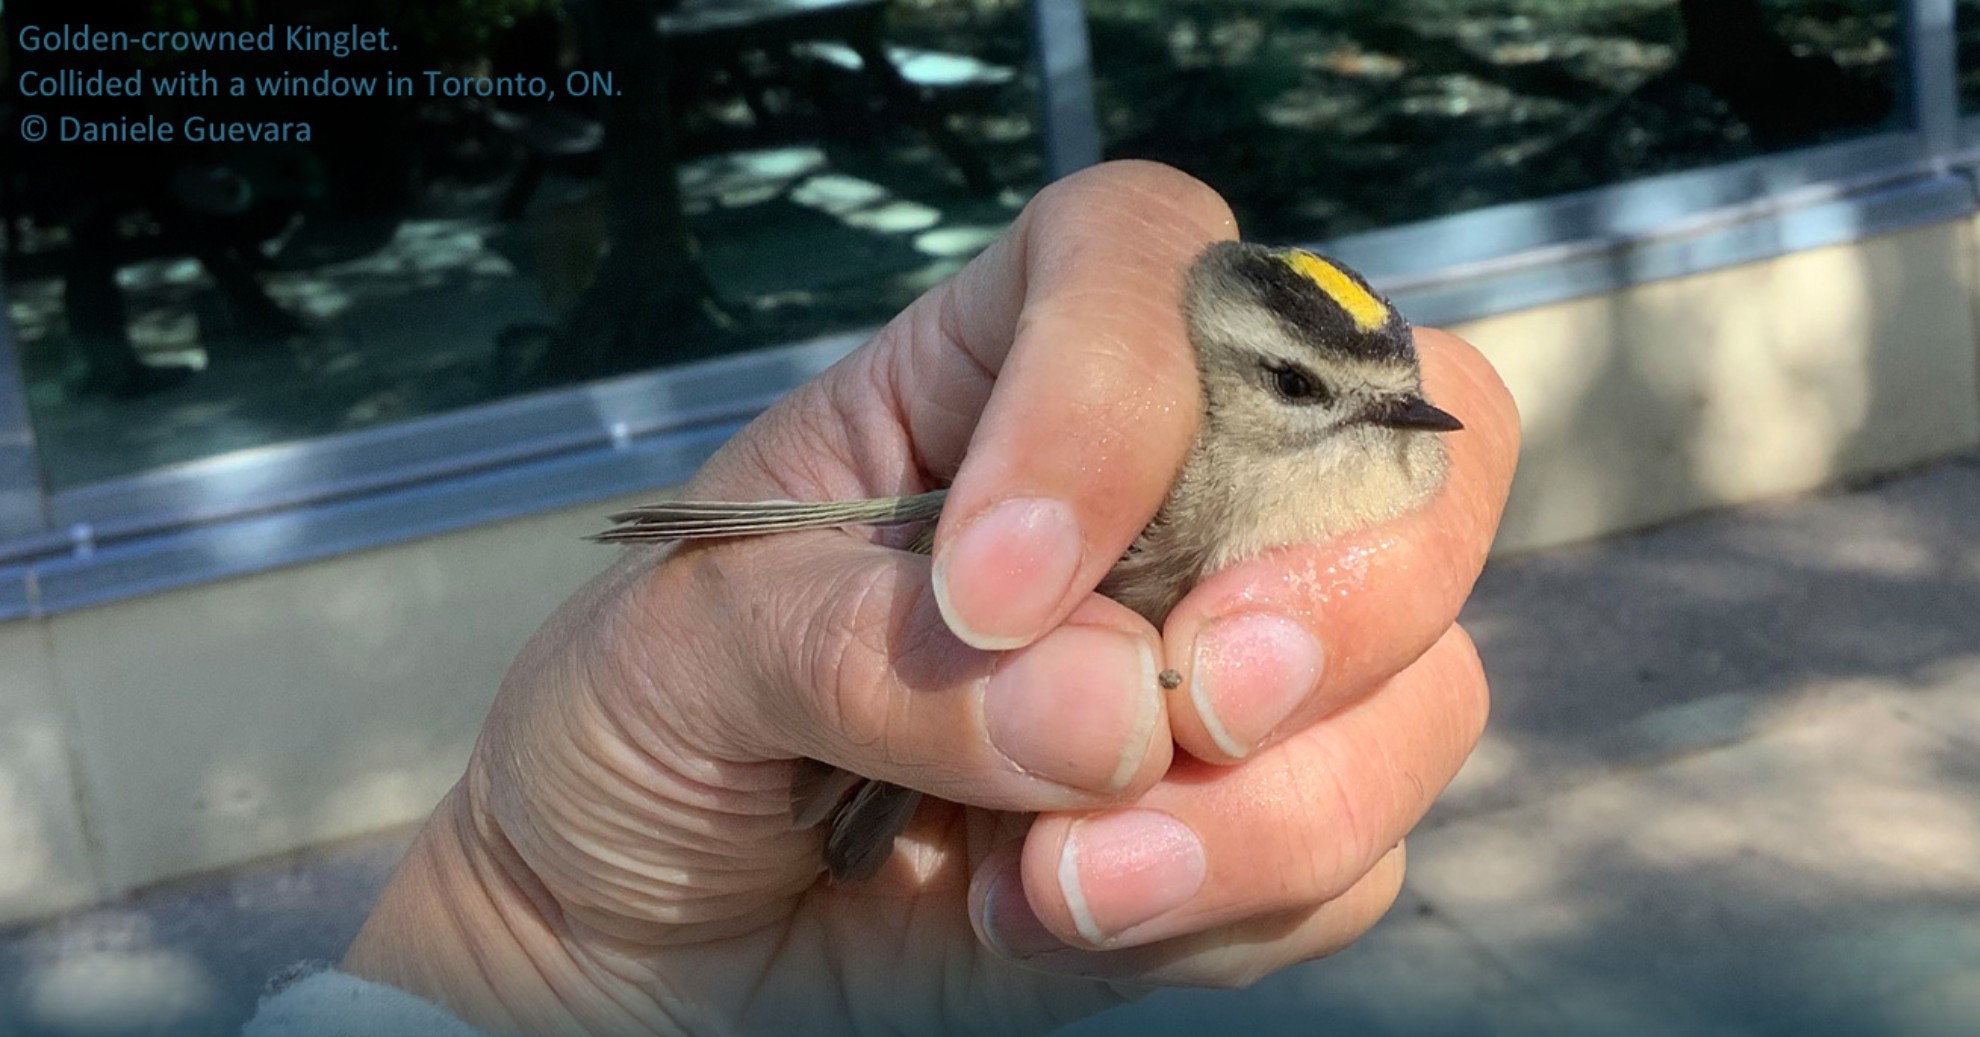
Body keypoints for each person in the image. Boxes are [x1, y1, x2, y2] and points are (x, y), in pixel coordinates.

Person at [245, 161, 1520, 1036]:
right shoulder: (1184, 439)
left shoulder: (1390, 439)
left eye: (1391, 382)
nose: (1389, 418)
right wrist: (525, 931)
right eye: (1301, 388)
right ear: (1230, 371)